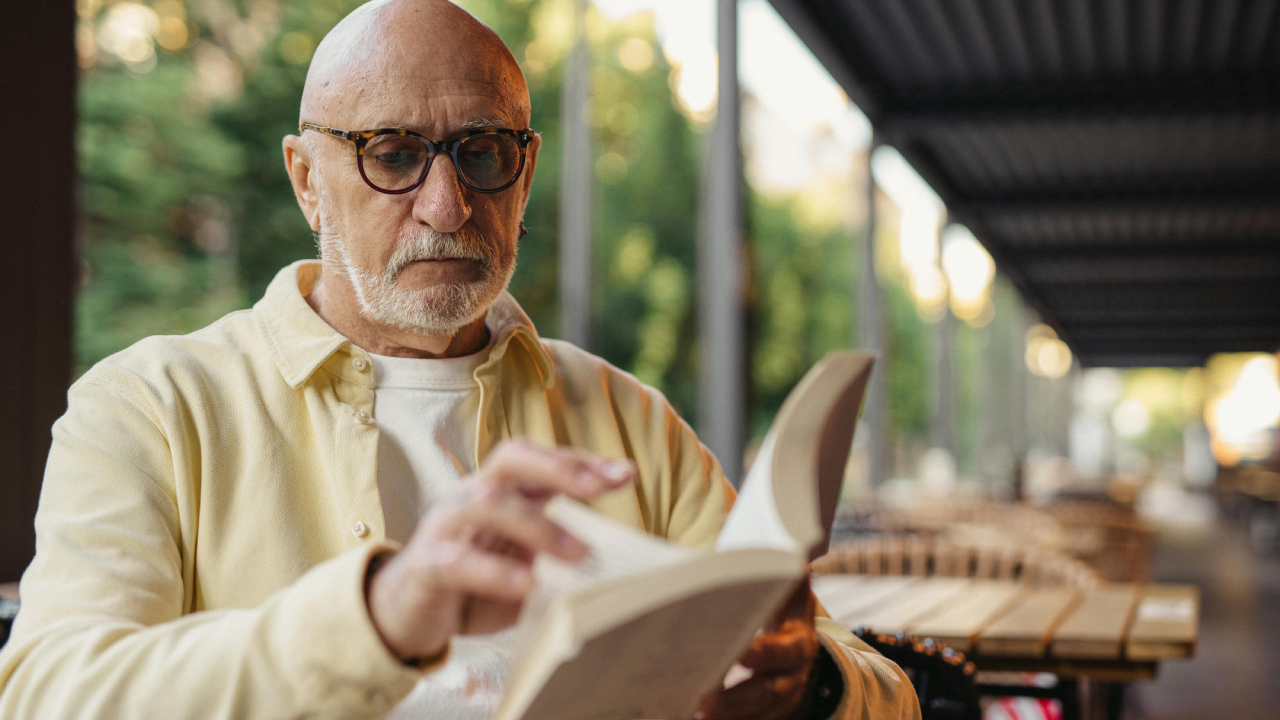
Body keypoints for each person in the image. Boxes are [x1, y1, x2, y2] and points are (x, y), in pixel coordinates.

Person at [0, 1, 919, 718]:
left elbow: (882, 686)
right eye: (392, 154)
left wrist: (810, 687)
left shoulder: (631, 420)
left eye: (482, 152)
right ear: (305, 179)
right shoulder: (151, 407)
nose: (446, 205)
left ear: (525, 169)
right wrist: (380, 615)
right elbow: (50, 696)